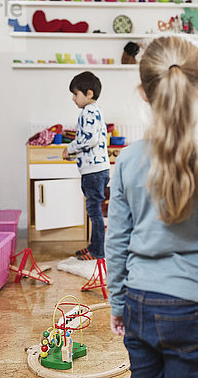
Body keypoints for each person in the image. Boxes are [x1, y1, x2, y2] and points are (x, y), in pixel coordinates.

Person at [105, 36, 198, 377]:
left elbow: (116, 242)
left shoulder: (126, 159)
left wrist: (117, 300)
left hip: (138, 301)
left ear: (143, 91)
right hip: (192, 308)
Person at [62, 71, 110, 260]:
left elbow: (89, 139)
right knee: (94, 210)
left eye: (76, 94)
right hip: (97, 169)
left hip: (94, 172)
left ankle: (98, 251)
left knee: (94, 211)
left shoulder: (88, 111)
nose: (74, 99)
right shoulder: (95, 111)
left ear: (88, 93)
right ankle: (94, 246)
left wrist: (70, 148)